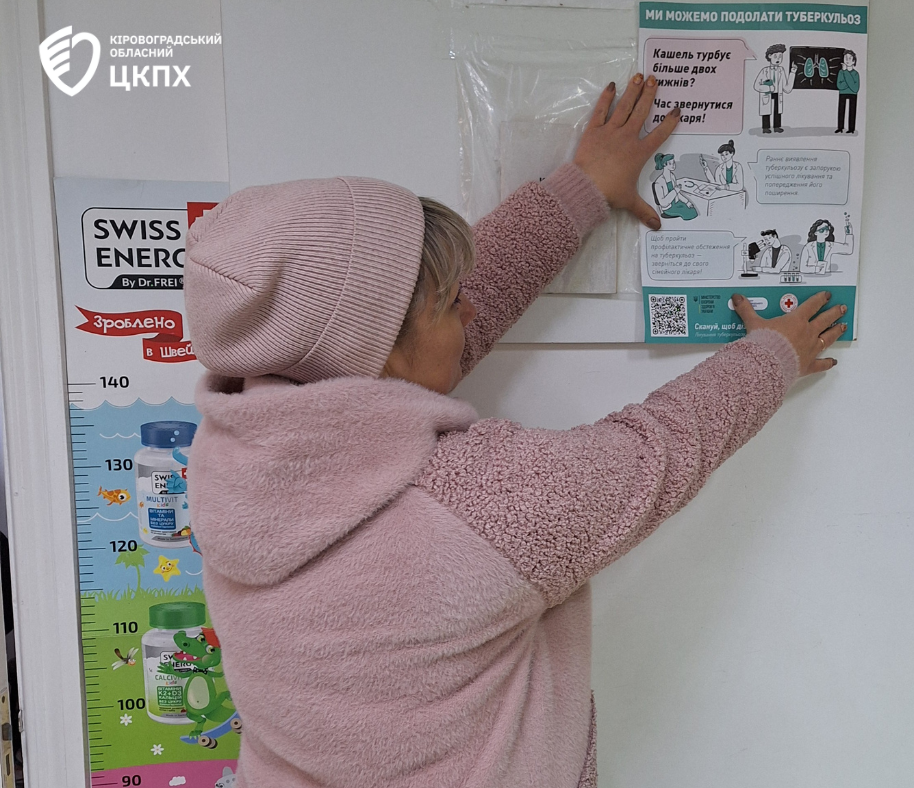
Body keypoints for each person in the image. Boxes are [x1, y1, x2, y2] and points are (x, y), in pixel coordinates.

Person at [183, 74, 846, 788]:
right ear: (377, 347)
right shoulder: (483, 503)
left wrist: (582, 188)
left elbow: (416, 347)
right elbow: (658, 449)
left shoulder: (236, 466)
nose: (470, 311)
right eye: (448, 303)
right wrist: (775, 354)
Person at [753, 43, 798, 133]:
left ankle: (777, 126)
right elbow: (756, 86)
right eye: (776, 56)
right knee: (766, 111)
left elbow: (787, 88)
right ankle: (766, 127)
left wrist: (792, 72)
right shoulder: (764, 71)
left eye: (780, 57)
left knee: (777, 111)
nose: (778, 59)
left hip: (778, 94)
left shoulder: (781, 70)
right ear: (770, 56)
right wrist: (768, 88)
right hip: (767, 94)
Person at [652, 152, 698, 220]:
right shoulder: (659, 182)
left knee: (693, 210)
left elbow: (677, 194)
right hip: (668, 208)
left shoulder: (672, 176)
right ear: (664, 164)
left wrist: (687, 202)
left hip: (677, 203)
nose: (673, 165)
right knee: (689, 214)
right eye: (670, 163)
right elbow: (663, 203)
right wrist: (675, 191)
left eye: (674, 163)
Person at [835, 50, 860, 134]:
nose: (847, 60)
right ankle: (840, 127)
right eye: (845, 58)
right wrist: (850, 83)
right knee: (841, 110)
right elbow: (839, 85)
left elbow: (855, 88)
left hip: (853, 94)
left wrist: (846, 74)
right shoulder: (840, 72)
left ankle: (851, 128)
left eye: (849, 58)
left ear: (853, 61)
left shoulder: (856, 74)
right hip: (842, 93)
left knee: (852, 110)